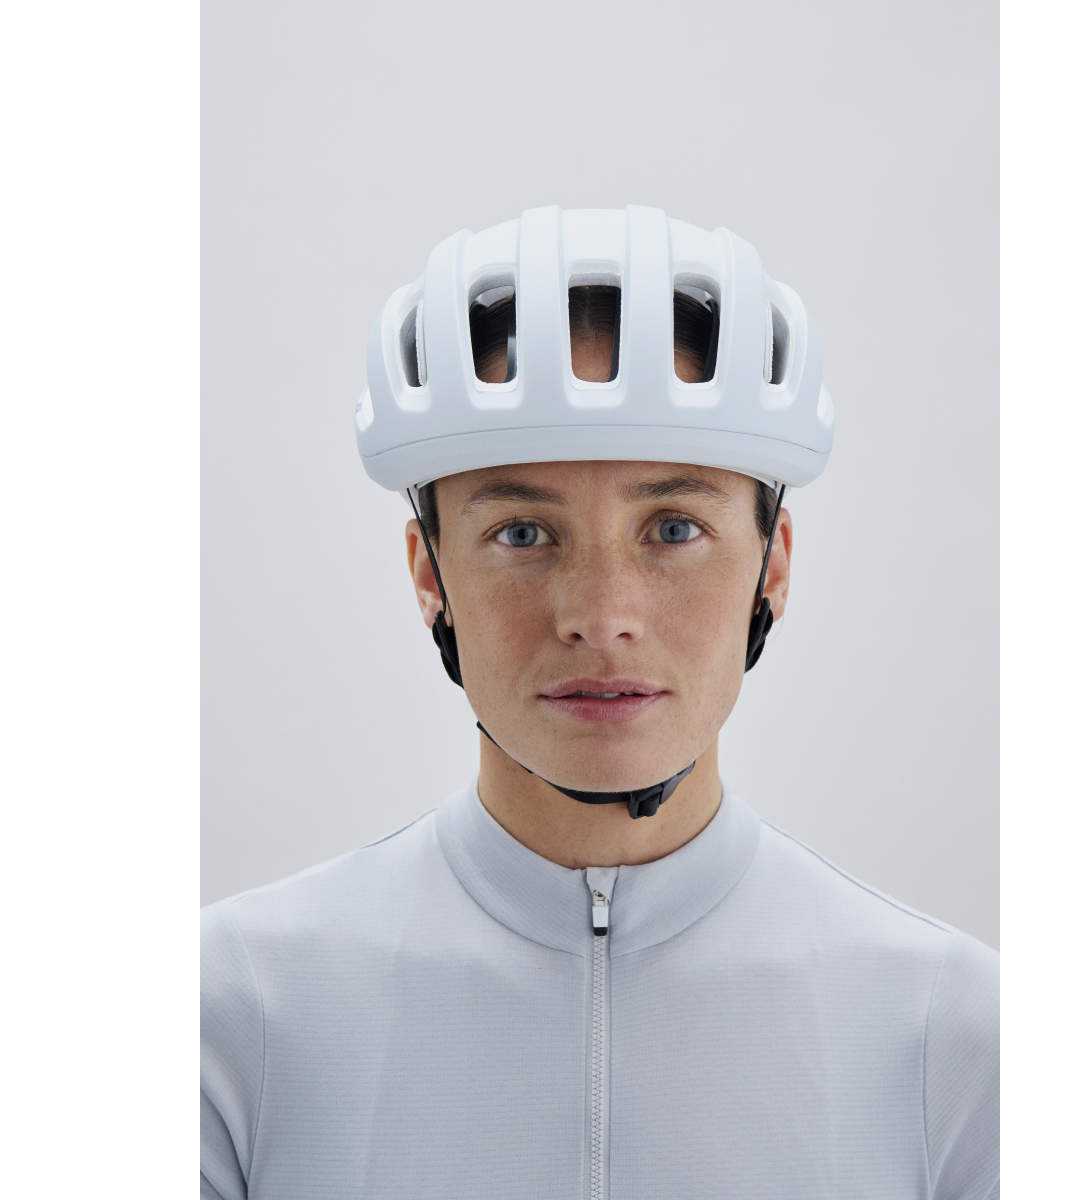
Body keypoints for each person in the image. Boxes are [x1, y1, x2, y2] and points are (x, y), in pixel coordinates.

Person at [199, 206, 999, 1199]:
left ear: (773, 568)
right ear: (430, 576)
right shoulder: (234, 1014)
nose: (601, 617)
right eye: (523, 534)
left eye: (673, 528)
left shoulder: (953, 1034)